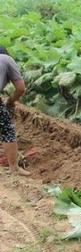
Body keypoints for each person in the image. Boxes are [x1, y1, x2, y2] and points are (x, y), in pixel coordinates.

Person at [0, 46, 30, 176]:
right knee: (7, 129)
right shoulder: (7, 59)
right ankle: (14, 168)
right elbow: (20, 88)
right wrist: (11, 101)